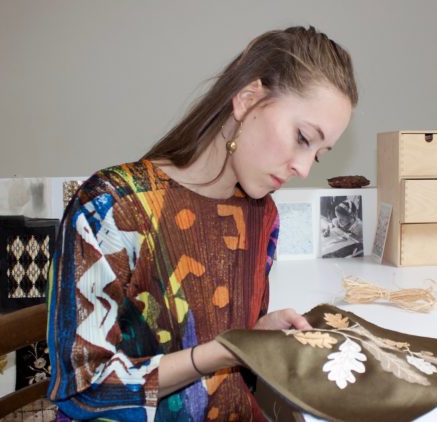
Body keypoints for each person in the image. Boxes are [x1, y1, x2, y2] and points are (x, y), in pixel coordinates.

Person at [47, 26, 358, 421]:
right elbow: (83, 388)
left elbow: (224, 348)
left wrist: (256, 335)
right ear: (248, 100)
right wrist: (226, 350)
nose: (303, 167)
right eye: (302, 137)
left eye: (319, 153)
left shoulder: (262, 216)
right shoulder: (113, 207)